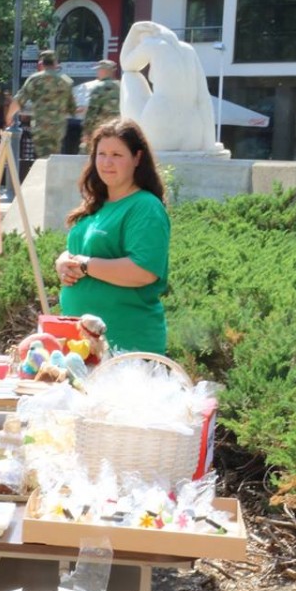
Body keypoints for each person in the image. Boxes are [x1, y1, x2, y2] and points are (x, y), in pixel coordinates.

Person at [55, 118, 170, 355]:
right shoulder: (95, 205)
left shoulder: (145, 207)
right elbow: (81, 251)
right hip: (80, 345)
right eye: (101, 154)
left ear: (137, 158)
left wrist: (85, 266)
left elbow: (143, 271)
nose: (107, 162)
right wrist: (63, 261)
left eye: (117, 155)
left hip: (125, 345)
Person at [120, 20, 217, 152]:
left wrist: (133, 33)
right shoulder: (189, 50)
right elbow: (204, 99)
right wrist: (209, 144)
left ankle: (128, 141)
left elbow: (126, 64)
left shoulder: (151, 44)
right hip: (193, 136)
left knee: (129, 75)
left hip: (159, 133)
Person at [6, 49, 77, 159]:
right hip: (58, 128)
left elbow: (19, 101)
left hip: (41, 127)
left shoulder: (35, 79)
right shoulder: (66, 81)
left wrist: (9, 117)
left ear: (42, 63)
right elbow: (72, 108)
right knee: (54, 156)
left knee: (42, 158)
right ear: (56, 63)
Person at [81, 59, 120, 149]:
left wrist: (86, 132)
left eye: (98, 70)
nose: (97, 72)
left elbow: (92, 112)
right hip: (118, 128)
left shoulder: (99, 88)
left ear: (104, 71)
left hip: (100, 129)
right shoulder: (121, 86)